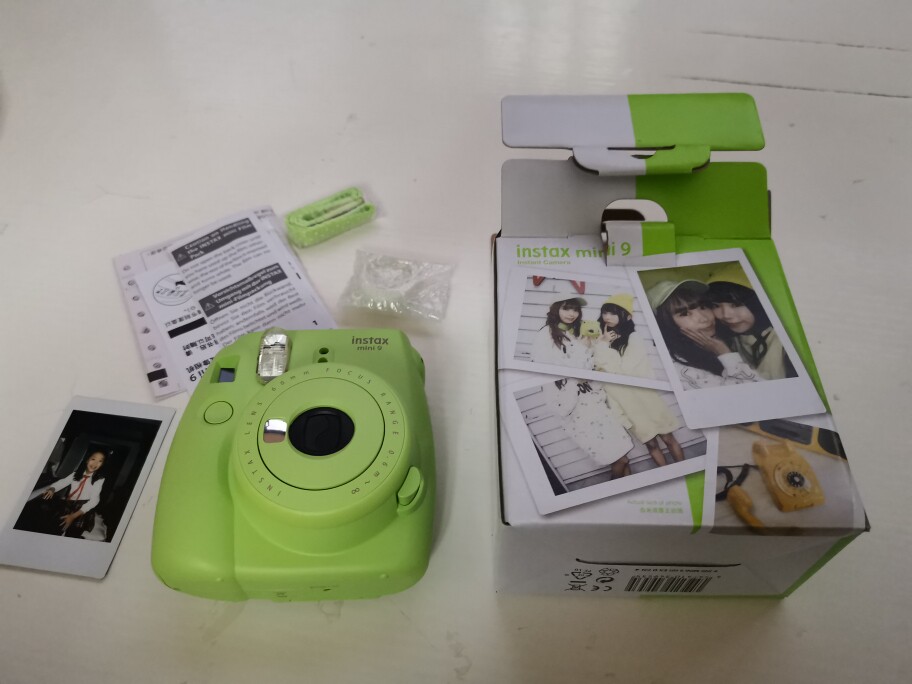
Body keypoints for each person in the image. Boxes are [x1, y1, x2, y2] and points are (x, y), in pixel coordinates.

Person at [591, 293, 686, 471]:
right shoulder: (600, 340)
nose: (607, 317)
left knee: (668, 438)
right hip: (626, 404)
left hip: (646, 399)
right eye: (605, 312)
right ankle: (668, 476)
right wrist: (602, 344)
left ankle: (685, 472)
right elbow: (601, 374)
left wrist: (603, 348)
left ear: (627, 316)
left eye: (613, 313)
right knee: (651, 444)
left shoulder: (633, 338)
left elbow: (623, 371)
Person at [647, 279, 762, 391]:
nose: (704, 318)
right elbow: (751, 392)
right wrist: (725, 354)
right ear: (666, 323)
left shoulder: (723, 339)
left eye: (703, 307)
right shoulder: (679, 368)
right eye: (684, 313)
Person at [706, 264, 797, 380]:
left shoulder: (790, 342)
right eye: (715, 305)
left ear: (758, 304)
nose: (726, 315)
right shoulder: (727, 337)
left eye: (736, 304)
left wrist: (726, 355)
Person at [540, 378, 633, 477]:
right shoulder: (549, 384)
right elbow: (562, 410)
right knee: (622, 461)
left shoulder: (576, 371)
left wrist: (591, 381)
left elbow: (599, 392)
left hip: (605, 421)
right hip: (587, 431)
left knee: (623, 460)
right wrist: (573, 383)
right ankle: (616, 485)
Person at [40, 450, 107, 537]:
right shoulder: (76, 474)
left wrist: (73, 516)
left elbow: (95, 500)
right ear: (87, 460)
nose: (95, 463)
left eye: (100, 461)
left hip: (82, 509)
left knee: (73, 533)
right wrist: (52, 488)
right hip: (69, 505)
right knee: (54, 528)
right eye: (93, 459)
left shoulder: (99, 479)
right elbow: (62, 482)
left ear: (102, 465)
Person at [529, 296, 591, 369]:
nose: (572, 314)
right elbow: (542, 365)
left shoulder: (577, 332)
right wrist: (581, 348)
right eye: (566, 309)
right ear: (556, 309)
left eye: (576, 310)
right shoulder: (546, 333)